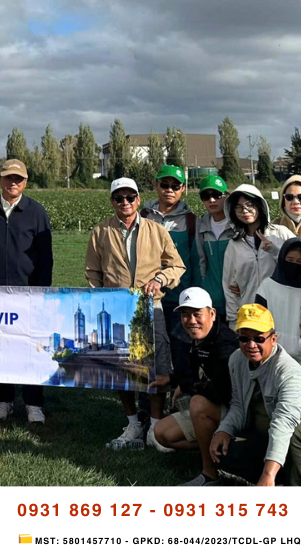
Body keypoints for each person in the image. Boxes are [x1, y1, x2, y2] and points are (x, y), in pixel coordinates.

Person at [85, 177, 184, 450]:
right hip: (117, 309)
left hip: (150, 307)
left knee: (155, 366)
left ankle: (155, 426)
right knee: (121, 368)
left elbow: (176, 265)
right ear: (112, 202)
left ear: (139, 200)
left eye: (130, 197)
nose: (125, 203)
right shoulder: (100, 231)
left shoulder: (156, 230)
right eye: (119, 198)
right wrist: (100, 297)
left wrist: (160, 279)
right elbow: (92, 271)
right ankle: (132, 423)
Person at [211, 304, 301, 486]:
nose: (251, 345)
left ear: (273, 339)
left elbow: (284, 423)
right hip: (266, 437)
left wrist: (268, 473)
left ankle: (292, 483)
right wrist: (224, 430)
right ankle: (275, 475)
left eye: (259, 339)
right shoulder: (236, 360)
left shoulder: (289, 372)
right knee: (222, 452)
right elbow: (238, 405)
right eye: (244, 338)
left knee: (295, 431)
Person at [0, 158, 54, 423]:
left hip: (29, 292)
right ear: (0, 179)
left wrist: (41, 291)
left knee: (32, 348)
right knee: (0, 346)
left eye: (18, 179)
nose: (13, 183)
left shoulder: (36, 211)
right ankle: (3, 400)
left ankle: (33, 403)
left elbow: (46, 257)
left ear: (25, 182)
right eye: (8, 177)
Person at [149, 288, 239, 486]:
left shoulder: (226, 344)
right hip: (217, 406)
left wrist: (187, 386)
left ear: (212, 314)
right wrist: (173, 380)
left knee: (198, 403)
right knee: (161, 433)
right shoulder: (193, 337)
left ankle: (211, 473)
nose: (191, 320)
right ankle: (216, 448)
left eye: (197, 314)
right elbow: (191, 373)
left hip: (236, 412)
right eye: (185, 314)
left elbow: (221, 392)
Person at [140, 165, 197, 394]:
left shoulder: (191, 221)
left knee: (180, 352)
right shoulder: (144, 216)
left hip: (178, 296)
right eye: (164, 184)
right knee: (149, 354)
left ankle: (180, 404)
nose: (169, 190)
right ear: (156, 186)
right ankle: (148, 406)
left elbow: (195, 259)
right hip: (149, 296)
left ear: (183, 189)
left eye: (175, 186)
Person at [221, 185, 296, 327]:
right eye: (238, 207)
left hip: (281, 312)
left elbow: (299, 266)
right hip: (250, 315)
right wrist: (233, 319)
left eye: (249, 205)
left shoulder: (280, 234)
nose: (245, 211)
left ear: (260, 205)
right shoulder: (234, 245)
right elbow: (229, 285)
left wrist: (275, 252)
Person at [255, 238, 301, 375]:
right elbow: (258, 323)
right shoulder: (266, 287)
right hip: (269, 359)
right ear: (282, 259)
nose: (294, 265)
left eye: (300, 262)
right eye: (290, 260)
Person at [192, 174, 234, 311]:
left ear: (227, 196)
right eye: (206, 196)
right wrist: (203, 286)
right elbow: (200, 260)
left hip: (236, 296)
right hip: (211, 297)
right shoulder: (201, 224)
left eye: (217, 195)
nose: (212, 200)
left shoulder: (237, 224)